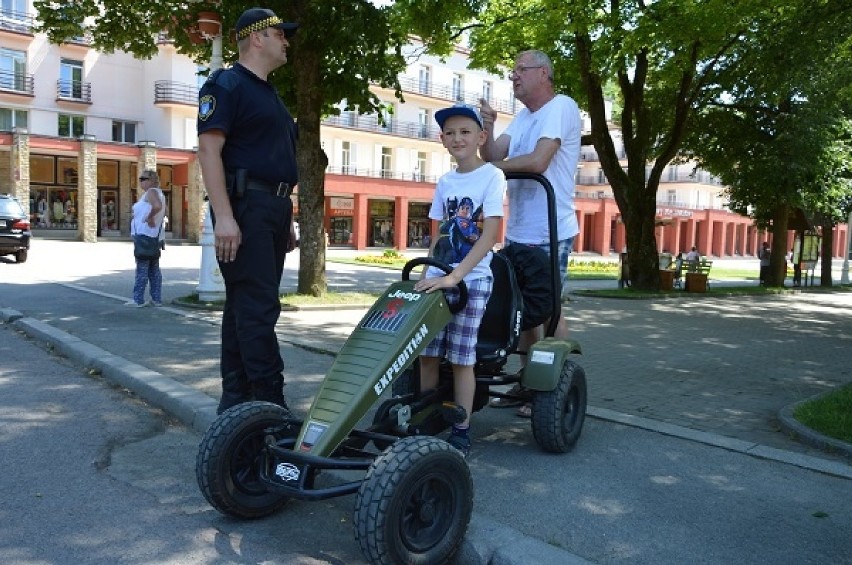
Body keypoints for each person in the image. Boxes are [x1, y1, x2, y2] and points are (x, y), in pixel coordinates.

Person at [196, 7, 299, 415]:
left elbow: (275, 159)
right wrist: (224, 215)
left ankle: (237, 408)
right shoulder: (226, 83)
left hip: (271, 209)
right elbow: (209, 149)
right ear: (257, 38)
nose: (285, 41)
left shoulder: (269, 94)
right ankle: (269, 409)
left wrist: (286, 216)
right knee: (257, 308)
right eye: (280, 34)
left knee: (245, 307)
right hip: (245, 207)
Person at [480, 49, 582, 418]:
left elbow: (539, 161)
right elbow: (494, 152)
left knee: (548, 309)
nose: (514, 77)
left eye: (521, 70)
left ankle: (554, 385)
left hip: (550, 229)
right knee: (523, 310)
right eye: (512, 72)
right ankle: (529, 379)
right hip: (521, 230)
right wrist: (488, 128)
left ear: (544, 73)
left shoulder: (561, 107)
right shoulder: (523, 117)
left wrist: (491, 168)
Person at [415, 103, 505, 456]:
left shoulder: (492, 176)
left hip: (473, 279)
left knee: (461, 357)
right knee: (427, 353)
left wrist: (456, 276)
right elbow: (438, 234)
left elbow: (490, 235)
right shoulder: (445, 181)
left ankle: (461, 428)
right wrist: (429, 272)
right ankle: (425, 417)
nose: (457, 138)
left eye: (465, 131)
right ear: (442, 140)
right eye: (450, 133)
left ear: (481, 137)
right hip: (442, 276)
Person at [126, 169, 166, 307]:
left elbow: (157, 206)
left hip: (145, 236)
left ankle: (138, 299)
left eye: (144, 179)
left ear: (153, 180)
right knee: (153, 269)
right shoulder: (157, 193)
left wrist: (148, 218)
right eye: (140, 179)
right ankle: (156, 298)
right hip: (153, 236)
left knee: (142, 269)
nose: (141, 181)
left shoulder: (151, 192)